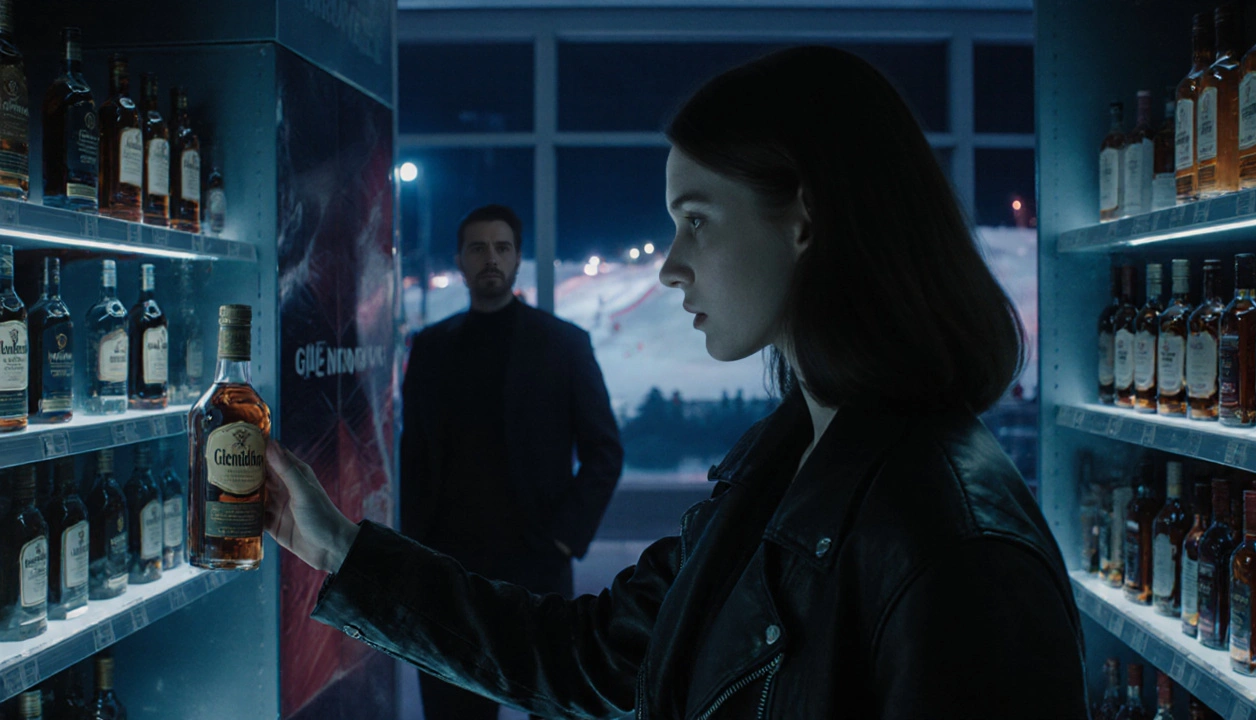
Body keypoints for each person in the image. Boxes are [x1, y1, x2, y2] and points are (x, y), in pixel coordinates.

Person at [265, 46, 1088, 718]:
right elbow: (594, 654)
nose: (669, 267)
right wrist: (336, 546)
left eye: (696, 220)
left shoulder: (959, 547)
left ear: (806, 219)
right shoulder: (782, 460)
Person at [399, 204, 624, 719]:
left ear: (519, 258)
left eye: (502, 248)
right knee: (453, 712)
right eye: (478, 248)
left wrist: (564, 537)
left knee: (550, 704)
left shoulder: (563, 344)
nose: (491, 258)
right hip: (448, 571)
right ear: (459, 260)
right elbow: (415, 456)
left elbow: (605, 451)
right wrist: (413, 547)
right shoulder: (429, 347)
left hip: (535, 565)